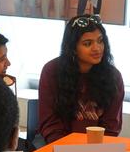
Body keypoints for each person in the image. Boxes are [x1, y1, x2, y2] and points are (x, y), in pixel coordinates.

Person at [38, 15, 124, 143]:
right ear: (73, 48)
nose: (97, 48)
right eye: (88, 43)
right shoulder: (51, 71)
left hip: (97, 149)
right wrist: (67, 151)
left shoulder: (113, 76)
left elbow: (111, 126)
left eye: (100, 41)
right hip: (59, 146)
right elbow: (50, 124)